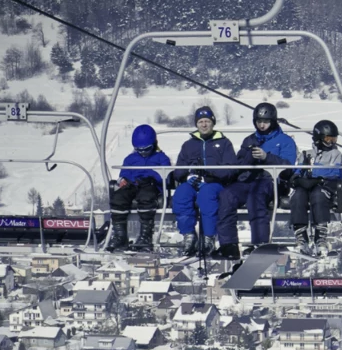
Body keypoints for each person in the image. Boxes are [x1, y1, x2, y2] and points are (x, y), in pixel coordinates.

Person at [221, 103, 297, 254]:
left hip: (271, 181)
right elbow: (239, 164)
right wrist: (249, 158)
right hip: (248, 179)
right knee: (226, 195)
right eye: (259, 122)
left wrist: (266, 157)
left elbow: (288, 168)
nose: (262, 125)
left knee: (256, 195)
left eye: (266, 122)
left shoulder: (285, 141)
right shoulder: (249, 140)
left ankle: (260, 242)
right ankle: (228, 244)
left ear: (273, 121)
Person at [170, 106, 239, 258]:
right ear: (196, 124)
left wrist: (209, 174)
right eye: (200, 121)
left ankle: (209, 237)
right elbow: (178, 170)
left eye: (207, 121)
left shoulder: (224, 143)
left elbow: (231, 169)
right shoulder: (189, 145)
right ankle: (189, 235)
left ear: (213, 123)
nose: (204, 125)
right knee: (181, 194)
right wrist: (187, 176)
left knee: (207, 196)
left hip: (215, 183)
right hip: (193, 182)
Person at [285, 119, 342, 256]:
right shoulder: (307, 154)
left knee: (318, 196)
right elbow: (297, 170)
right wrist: (297, 179)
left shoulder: (336, 155)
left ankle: (320, 237)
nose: (332, 143)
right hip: (307, 186)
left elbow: (336, 172)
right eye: (328, 139)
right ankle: (301, 237)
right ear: (319, 138)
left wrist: (314, 175)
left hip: (325, 185)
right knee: (297, 196)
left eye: (333, 139)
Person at [108, 125, 167, 253]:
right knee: (118, 198)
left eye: (147, 149)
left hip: (151, 187)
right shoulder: (130, 159)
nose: (143, 153)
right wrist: (125, 180)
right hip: (133, 185)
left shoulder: (161, 158)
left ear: (154, 144)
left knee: (146, 197)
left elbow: (165, 177)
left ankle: (145, 237)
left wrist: (153, 178)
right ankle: (120, 236)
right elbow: (124, 174)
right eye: (139, 150)